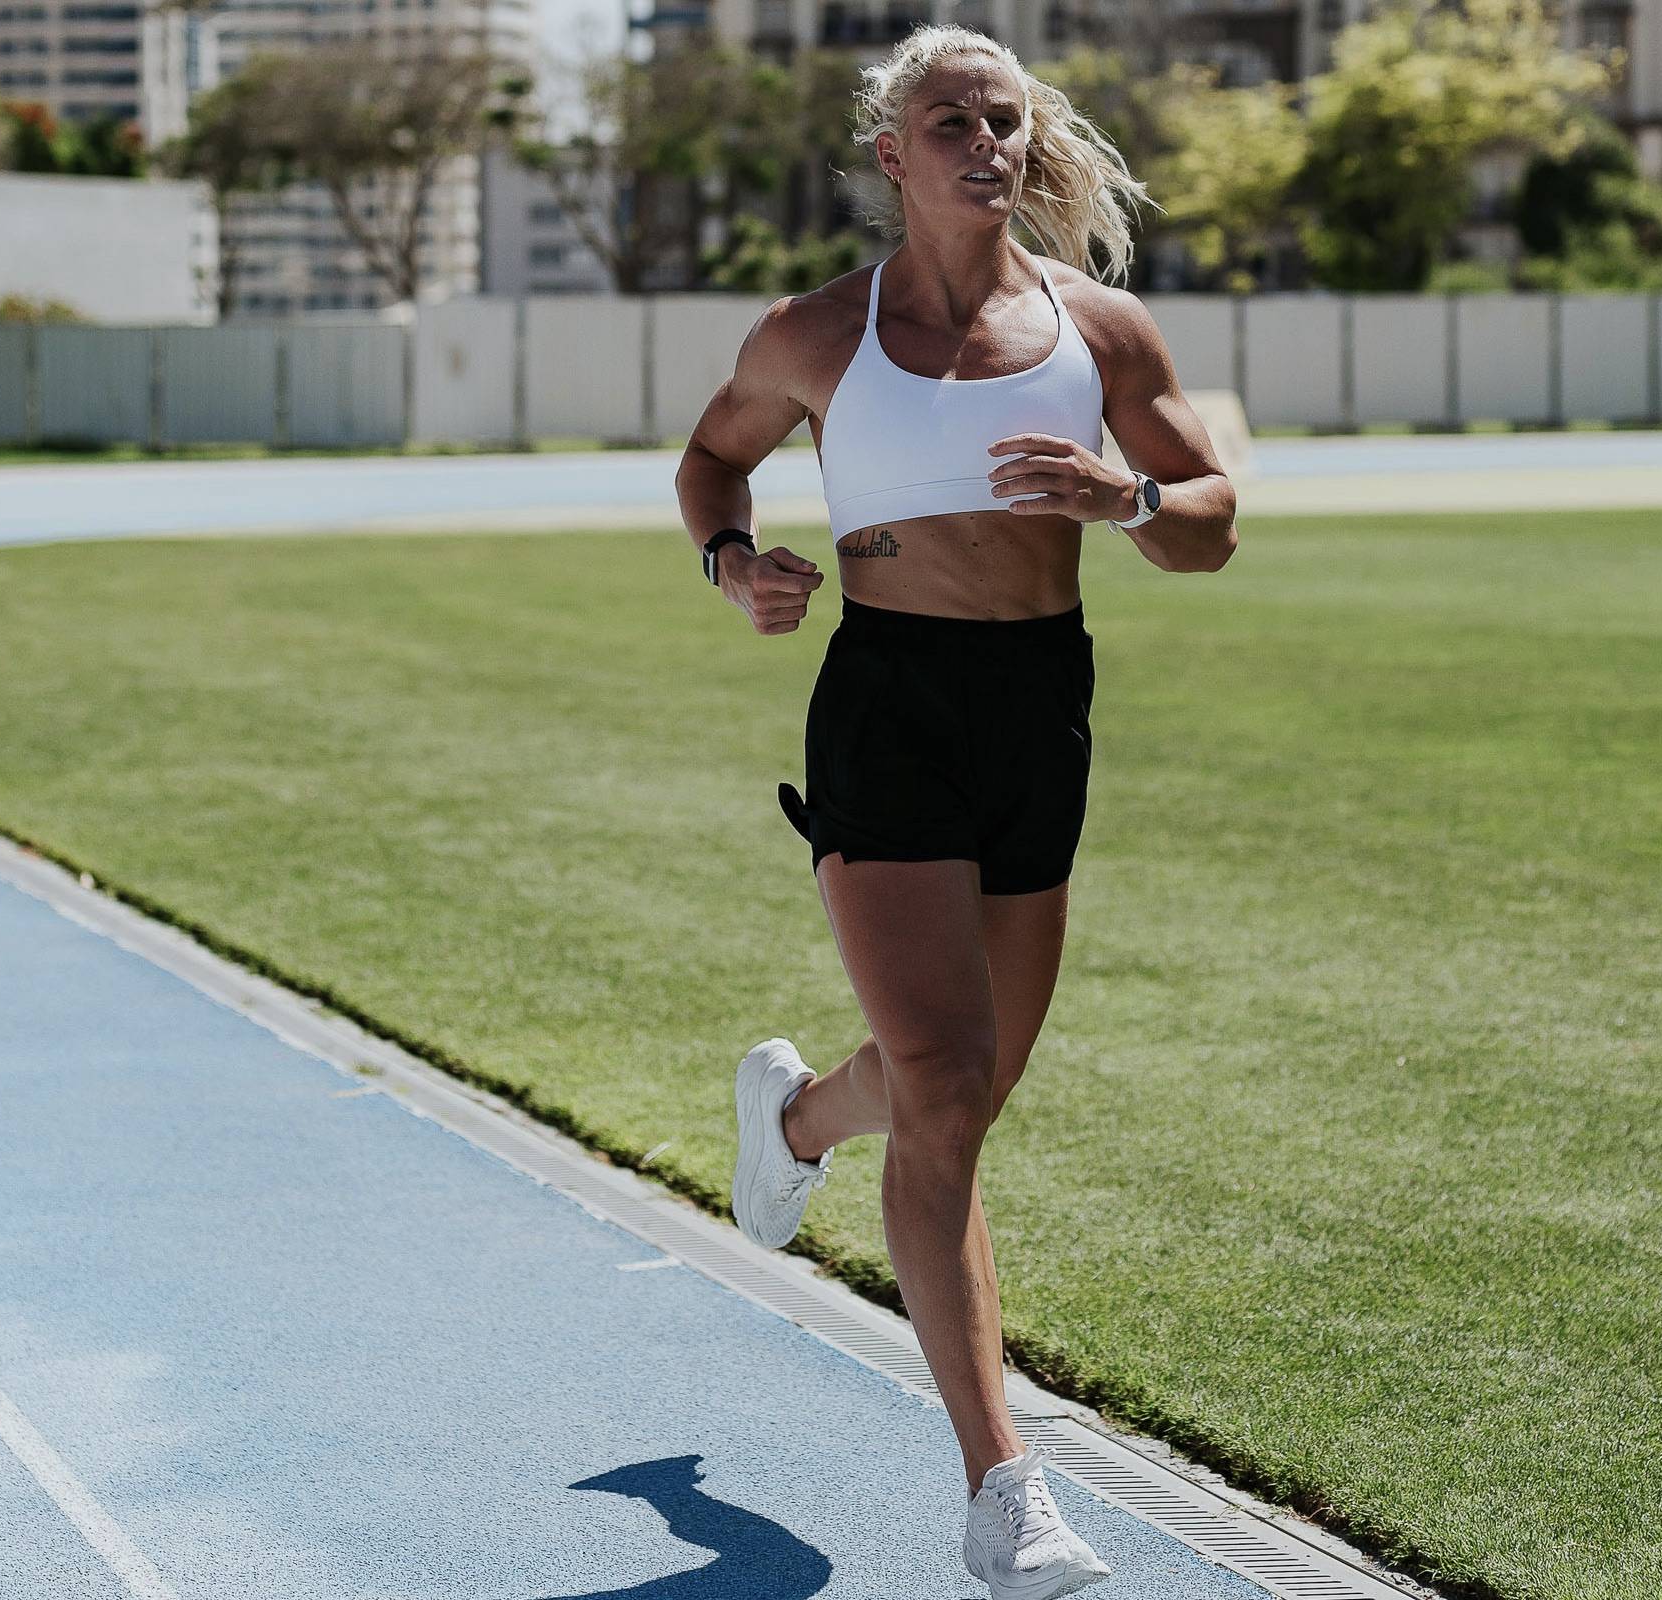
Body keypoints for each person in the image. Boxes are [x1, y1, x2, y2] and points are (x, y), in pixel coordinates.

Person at [673, 22, 1236, 1598]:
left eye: (1006, 118)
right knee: (940, 1072)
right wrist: (735, 563)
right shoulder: (813, 334)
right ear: (892, 155)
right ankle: (1007, 1492)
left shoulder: (1099, 329)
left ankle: (790, 1120)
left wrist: (1126, 502)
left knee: (955, 1097)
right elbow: (709, 468)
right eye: (951, 119)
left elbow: (1211, 527)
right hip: (888, 705)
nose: (986, 141)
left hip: (1038, 707)